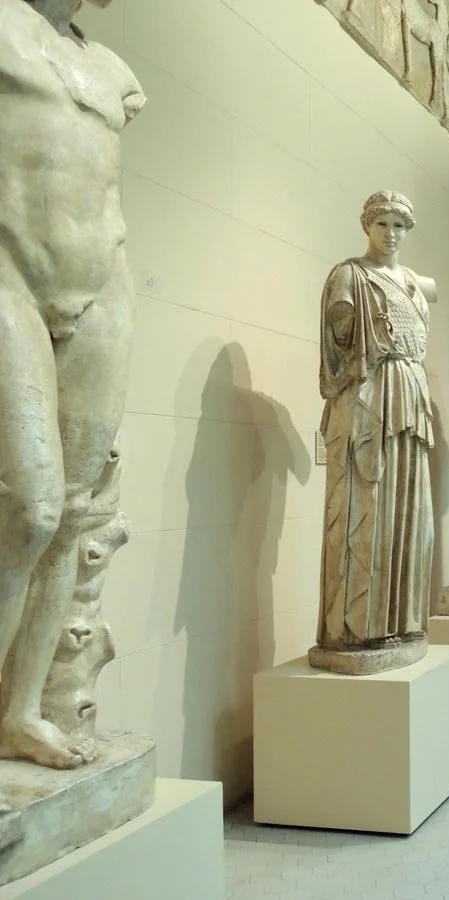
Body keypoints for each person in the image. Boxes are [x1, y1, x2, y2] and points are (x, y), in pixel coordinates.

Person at [0, 0, 144, 778]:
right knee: (29, 510)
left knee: (77, 514)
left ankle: (20, 713)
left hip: (102, 281)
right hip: (9, 269)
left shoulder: (114, 72)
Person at [315, 191, 435, 661]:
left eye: (399, 226)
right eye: (382, 225)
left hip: (409, 392)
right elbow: (339, 344)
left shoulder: (411, 282)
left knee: (409, 509)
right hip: (369, 394)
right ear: (367, 227)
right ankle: (357, 627)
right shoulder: (350, 275)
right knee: (368, 501)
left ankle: (401, 621)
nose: (391, 234)